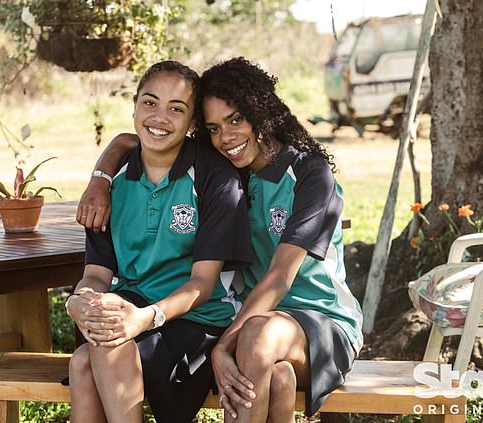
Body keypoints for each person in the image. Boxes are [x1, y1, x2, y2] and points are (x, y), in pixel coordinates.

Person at [77, 57, 363, 422]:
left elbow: (278, 279)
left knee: (257, 338)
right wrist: (101, 176)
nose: (225, 137)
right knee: (272, 367)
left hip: (321, 322)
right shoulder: (228, 169)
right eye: (213, 128)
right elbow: (138, 140)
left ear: (261, 113)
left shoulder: (310, 175)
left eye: (235, 120)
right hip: (252, 322)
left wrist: (224, 344)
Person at [66, 60, 252, 423]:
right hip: (133, 311)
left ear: (192, 122)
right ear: (134, 105)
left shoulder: (216, 179)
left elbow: (202, 284)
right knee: (96, 339)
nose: (160, 117)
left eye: (176, 109)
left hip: (199, 320)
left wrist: (144, 319)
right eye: (150, 103)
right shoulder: (110, 185)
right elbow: (96, 275)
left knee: (96, 351)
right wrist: (79, 301)